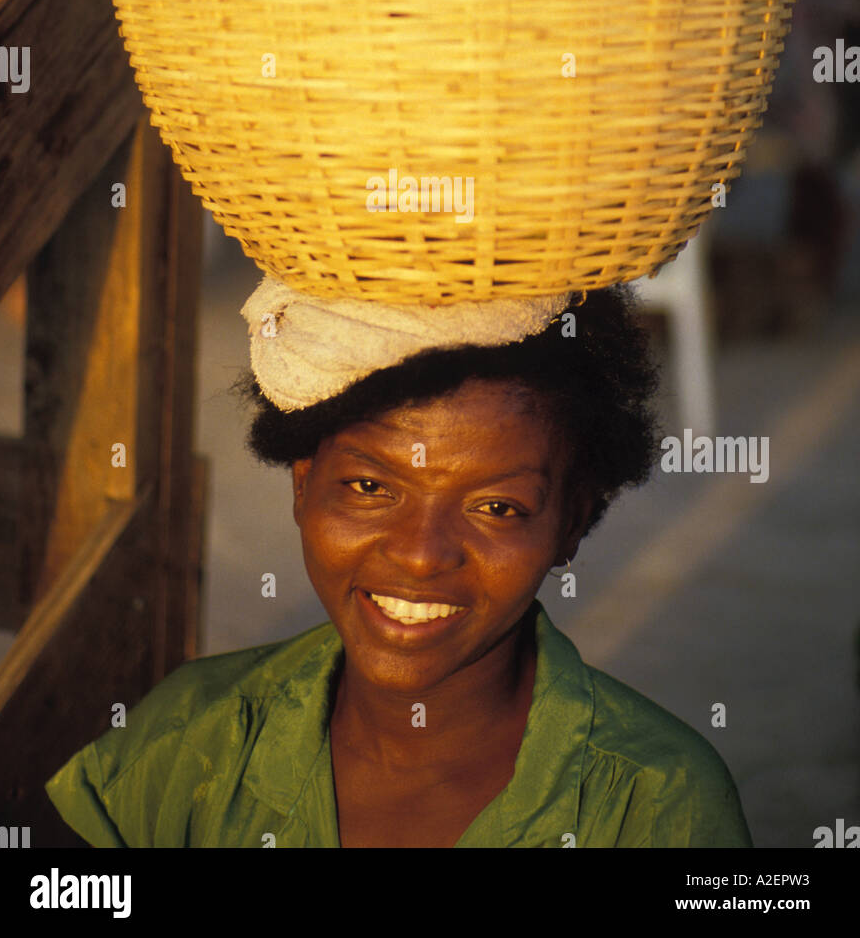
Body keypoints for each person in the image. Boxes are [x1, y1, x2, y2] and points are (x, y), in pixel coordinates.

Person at [46, 279, 752, 847]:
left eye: (496, 507)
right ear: (302, 485)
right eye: (370, 488)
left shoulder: (658, 805)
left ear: (570, 522)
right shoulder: (187, 742)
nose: (419, 555)